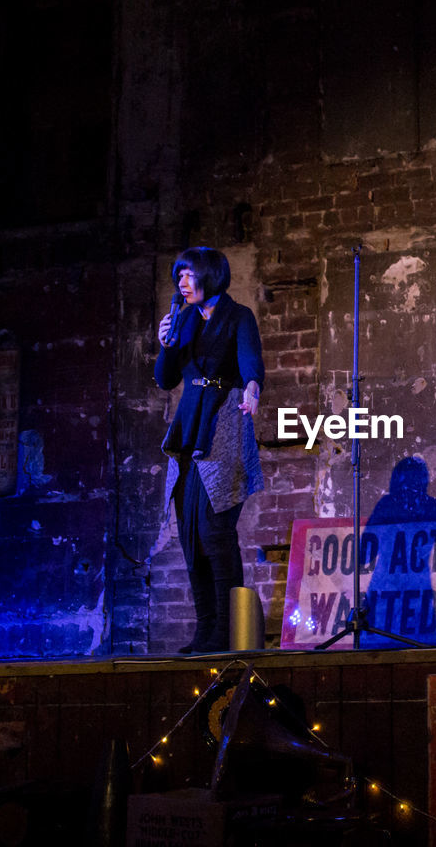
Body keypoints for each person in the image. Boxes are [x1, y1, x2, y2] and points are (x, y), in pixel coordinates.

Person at [155, 246, 264, 653]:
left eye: (188, 275)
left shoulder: (238, 317)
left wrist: (253, 389)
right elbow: (166, 380)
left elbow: (252, 364)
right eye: (178, 275)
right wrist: (165, 344)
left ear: (210, 276)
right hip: (188, 428)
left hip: (222, 425)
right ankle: (205, 628)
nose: (181, 283)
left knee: (214, 530)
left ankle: (227, 628)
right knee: (189, 534)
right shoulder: (182, 319)